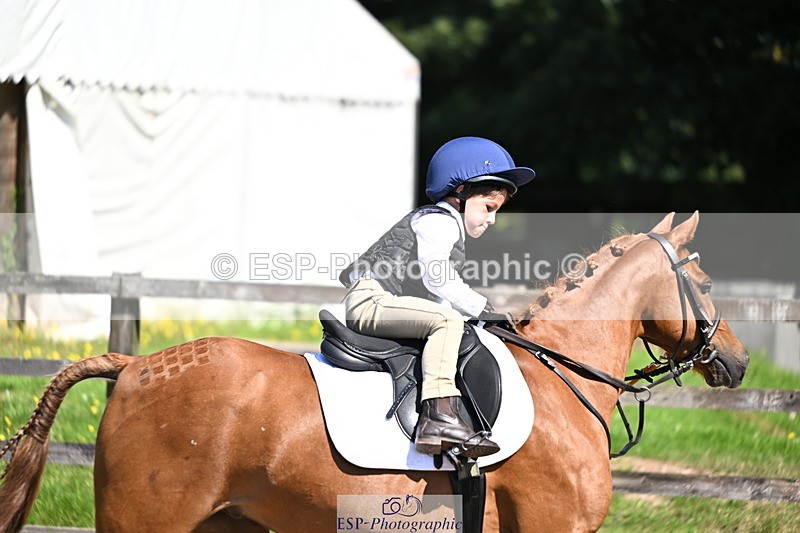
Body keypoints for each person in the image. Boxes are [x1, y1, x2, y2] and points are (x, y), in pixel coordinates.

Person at [338, 136, 535, 458]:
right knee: (448, 321)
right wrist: (484, 308)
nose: (491, 219)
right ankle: (438, 416)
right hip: (371, 301)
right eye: (488, 208)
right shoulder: (437, 221)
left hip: (386, 300)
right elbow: (438, 278)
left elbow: (434, 294)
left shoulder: (447, 226)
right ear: (460, 193)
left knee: (451, 321)